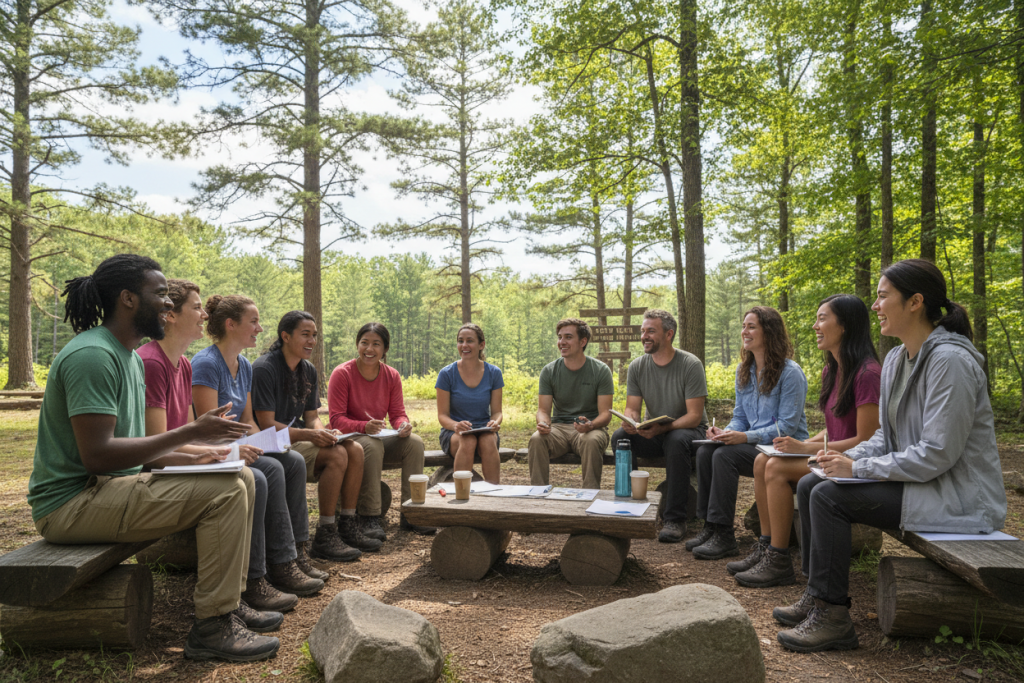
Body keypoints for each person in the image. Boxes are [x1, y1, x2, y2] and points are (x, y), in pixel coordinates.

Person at [27, 254, 279, 662]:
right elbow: (98, 456)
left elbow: (138, 450)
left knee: (242, 478)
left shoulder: (126, 356)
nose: (167, 303)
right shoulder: (93, 356)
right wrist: (193, 433)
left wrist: (200, 456)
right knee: (229, 492)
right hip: (71, 504)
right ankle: (213, 627)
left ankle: (226, 607)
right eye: (160, 294)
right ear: (127, 299)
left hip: (112, 488)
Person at [774, 260, 1006, 653]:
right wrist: (836, 460)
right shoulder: (898, 359)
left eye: (883, 297)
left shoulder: (951, 362)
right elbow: (886, 436)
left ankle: (833, 618)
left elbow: (938, 453)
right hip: (922, 483)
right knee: (815, 481)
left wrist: (859, 466)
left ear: (915, 302)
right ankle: (818, 598)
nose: (876, 306)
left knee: (830, 497)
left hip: (957, 496)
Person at [139, 278, 285, 635]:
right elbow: (157, 444)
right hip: (152, 471)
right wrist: (223, 451)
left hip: (176, 460)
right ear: (170, 315)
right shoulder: (154, 363)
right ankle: (235, 598)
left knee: (266, 471)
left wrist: (221, 451)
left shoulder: (183, 365)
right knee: (250, 479)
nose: (205, 315)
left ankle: (247, 589)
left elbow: (192, 433)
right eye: (197, 308)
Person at [730, 295, 881, 588]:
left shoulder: (868, 374)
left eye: (822, 319)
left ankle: (779, 558)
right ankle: (766, 547)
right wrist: (800, 443)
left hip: (857, 462)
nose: (815, 326)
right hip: (833, 453)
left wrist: (804, 448)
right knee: (763, 459)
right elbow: (833, 431)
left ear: (846, 326)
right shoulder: (833, 371)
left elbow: (867, 439)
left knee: (774, 468)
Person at [192, 295, 324, 613]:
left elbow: (248, 421)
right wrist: (245, 446)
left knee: (290, 461)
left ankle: (292, 554)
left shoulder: (245, 365)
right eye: (253, 322)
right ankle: (260, 574)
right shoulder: (206, 364)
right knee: (269, 473)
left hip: (239, 445)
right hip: (214, 450)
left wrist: (267, 442)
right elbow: (206, 429)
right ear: (230, 325)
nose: (260, 328)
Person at [252, 311, 379, 559]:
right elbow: (266, 424)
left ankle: (347, 524)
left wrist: (323, 432)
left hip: (297, 437)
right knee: (338, 456)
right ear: (285, 336)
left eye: (315, 336)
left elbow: (311, 416)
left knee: (353, 448)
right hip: (270, 443)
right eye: (305, 335)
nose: (312, 341)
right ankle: (325, 533)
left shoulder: (308, 370)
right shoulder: (265, 368)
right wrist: (310, 436)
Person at [689, 306, 808, 560]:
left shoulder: (790, 373)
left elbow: (786, 426)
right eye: (744, 326)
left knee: (724, 457)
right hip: (755, 446)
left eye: (751, 326)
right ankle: (710, 526)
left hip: (784, 448)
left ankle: (724, 536)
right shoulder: (744, 370)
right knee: (707, 450)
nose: (745, 331)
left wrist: (743, 437)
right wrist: (725, 432)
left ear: (770, 332)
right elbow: (741, 417)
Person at [610, 309, 709, 543]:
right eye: (643, 331)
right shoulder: (637, 366)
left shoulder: (690, 364)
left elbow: (694, 416)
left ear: (668, 334)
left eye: (651, 331)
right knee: (620, 437)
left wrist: (663, 428)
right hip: (656, 431)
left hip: (691, 433)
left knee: (676, 440)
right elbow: (632, 407)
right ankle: (630, 506)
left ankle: (675, 519)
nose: (644, 336)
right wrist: (632, 422)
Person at [328, 322, 433, 538]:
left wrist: (402, 424)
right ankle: (369, 516)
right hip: (350, 439)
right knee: (372, 445)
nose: (369, 349)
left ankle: (411, 512)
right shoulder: (342, 373)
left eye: (376, 344)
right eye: (364, 343)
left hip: (377, 436)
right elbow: (336, 419)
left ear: (385, 349)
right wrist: (363, 426)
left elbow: (397, 413)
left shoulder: (391, 375)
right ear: (357, 345)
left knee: (414, 442)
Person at [528, 318, 613, 489]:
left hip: (590, 429)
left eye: (568, 337)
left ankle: (590, 494)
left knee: (592, 440)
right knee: (537, 439)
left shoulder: (600, 370)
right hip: (559, 429)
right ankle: (537, 494)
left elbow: (606, 414)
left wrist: (590, 425)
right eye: (560, 337)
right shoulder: (549, 371)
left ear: (583, 341)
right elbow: (543, 410)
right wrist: (543, 423)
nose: (562, 342)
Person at [435, 323, 504, 484]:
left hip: (484, 430)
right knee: (468, 440)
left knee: (487, 440)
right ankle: (461, 494)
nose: (464, 345)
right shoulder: (446, 374)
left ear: (481, 345)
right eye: (460, 341)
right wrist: (456, 426)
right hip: (454, 432)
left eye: (469, 341)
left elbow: (497, 412)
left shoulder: (494, 373)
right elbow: (442, 416)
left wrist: (495, 422)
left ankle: (493, 493)